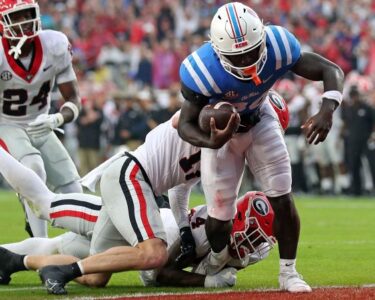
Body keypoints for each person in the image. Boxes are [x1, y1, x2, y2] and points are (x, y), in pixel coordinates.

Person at [177, 2, 344, 293]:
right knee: (219, 217)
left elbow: (330, 70)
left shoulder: (278, 45)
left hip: (260, 118)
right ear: (218, 50)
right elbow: (186, 124)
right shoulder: (201, 69)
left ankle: (289, 272)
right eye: (236, 56)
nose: (246, 61)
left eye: (253, 52)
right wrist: (211, 141)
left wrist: (327, 110)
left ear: (263, 38)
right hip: (223, 136)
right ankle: (217, 260)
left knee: (282, 197)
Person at [0, 190, 276, 290]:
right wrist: (207, 280)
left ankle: (11, 260)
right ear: (234, 219)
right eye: (250, 235)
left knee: (63, 250)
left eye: (258, 240)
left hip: (133, 231)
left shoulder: (256, 250)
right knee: (44, 203)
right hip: (120, 219)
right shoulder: (201, 231)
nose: (251, 245)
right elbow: (158, 276)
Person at [0, 0, 82, 238]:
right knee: (34, 167)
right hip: (7, 123)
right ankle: (40, 243)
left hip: (41, 123)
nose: (23, 21)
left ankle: (82, 244)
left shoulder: (54, 43)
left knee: (72, 187)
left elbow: (74, 97)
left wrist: (57, 119)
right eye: (15, 17)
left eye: (26, 14)